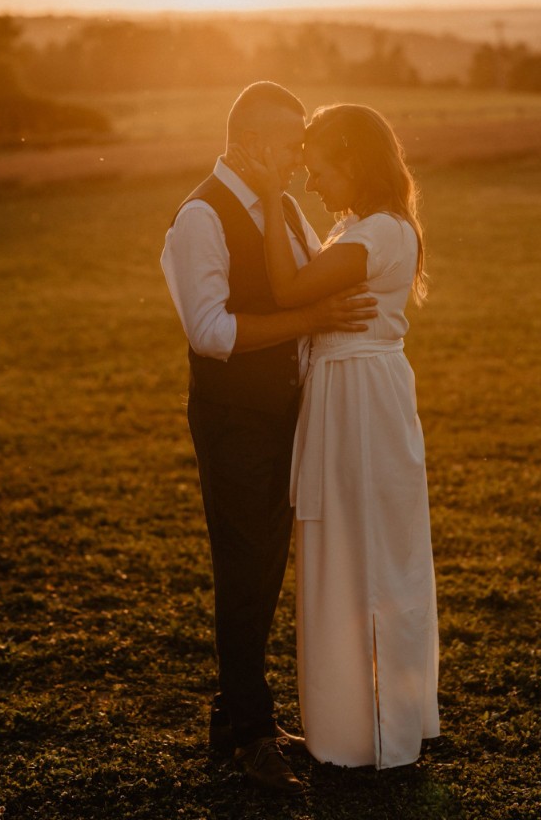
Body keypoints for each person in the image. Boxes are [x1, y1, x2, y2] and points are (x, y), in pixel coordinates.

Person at [160, 82, 377, 795]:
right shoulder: (200, 216)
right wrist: (313, 322)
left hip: (290, 414)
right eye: (289, 145)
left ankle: (237, 718)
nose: (297, 160)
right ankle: (251, 734)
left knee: (265, 565)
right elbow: (211, 332)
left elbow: (311, 287)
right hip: (234, 419)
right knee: (245, 567)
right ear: (252, 143)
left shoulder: (281, 207)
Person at [227, 102, 440, 770]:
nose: (309, 182)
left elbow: (287, 290)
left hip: (359, 400)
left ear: (352, 161)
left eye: (317, 169)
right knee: (352, 548)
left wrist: (267, 196)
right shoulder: (362, 226)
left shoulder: (374, 234)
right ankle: (363, 719)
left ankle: (372, 730)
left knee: (366, 553)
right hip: (349, 389)